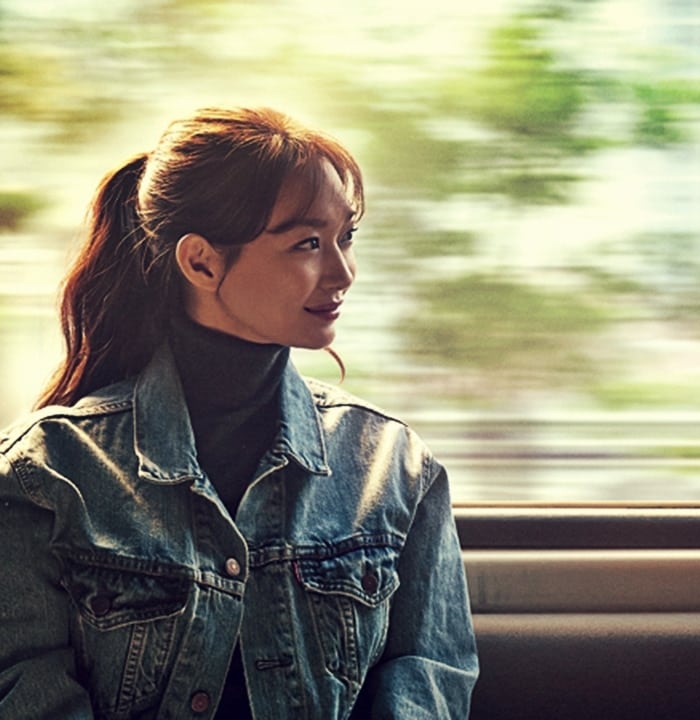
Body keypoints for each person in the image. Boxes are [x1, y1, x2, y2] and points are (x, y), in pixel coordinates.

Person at [0, 107, 478, 718]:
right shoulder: (46, 475)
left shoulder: (395, 467)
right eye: (308, 243)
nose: (343, 272)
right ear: (201, 261)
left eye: (346, 237)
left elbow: (430, 676)